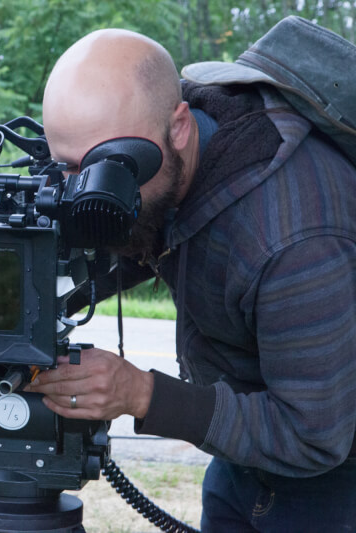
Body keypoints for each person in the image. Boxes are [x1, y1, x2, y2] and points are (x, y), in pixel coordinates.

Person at [27, 28, 356, 531]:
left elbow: (312, 436)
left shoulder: (292, 237)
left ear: (178, 127)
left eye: (109, 169)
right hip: (238, 458)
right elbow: (141, 236)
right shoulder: (178, 159)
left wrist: (140, 394)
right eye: (69, 168)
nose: (87, 193)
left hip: (329, 487)